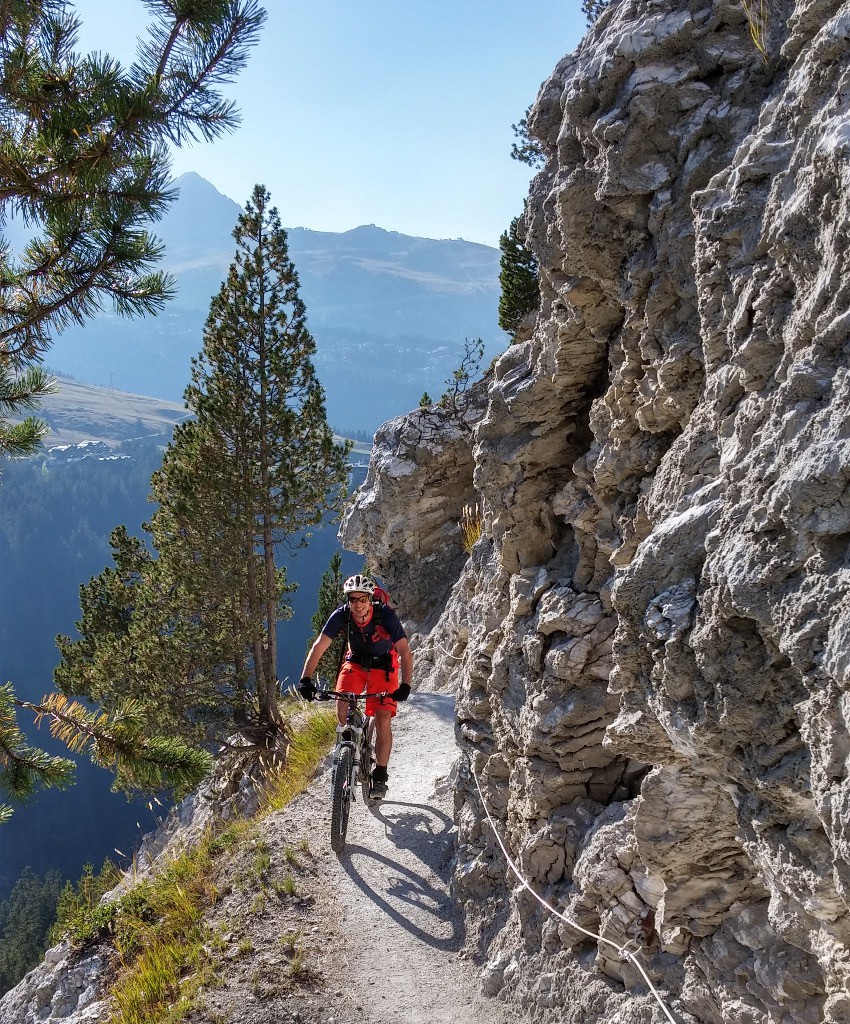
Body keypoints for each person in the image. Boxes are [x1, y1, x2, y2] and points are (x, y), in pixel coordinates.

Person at [298, 573, 413, 799]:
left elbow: (404, 651)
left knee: (382, 717)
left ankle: (380, 775)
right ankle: (350, 750)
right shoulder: (341, 616)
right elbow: (320, 646)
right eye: (353, 600)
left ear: (370, 599)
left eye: (363, 599)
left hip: (384, 666)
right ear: (348, 601)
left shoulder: (385, 615)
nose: (358, 605)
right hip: (356, 663)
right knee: (342, 708)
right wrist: (305, 679)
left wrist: (405, 684)